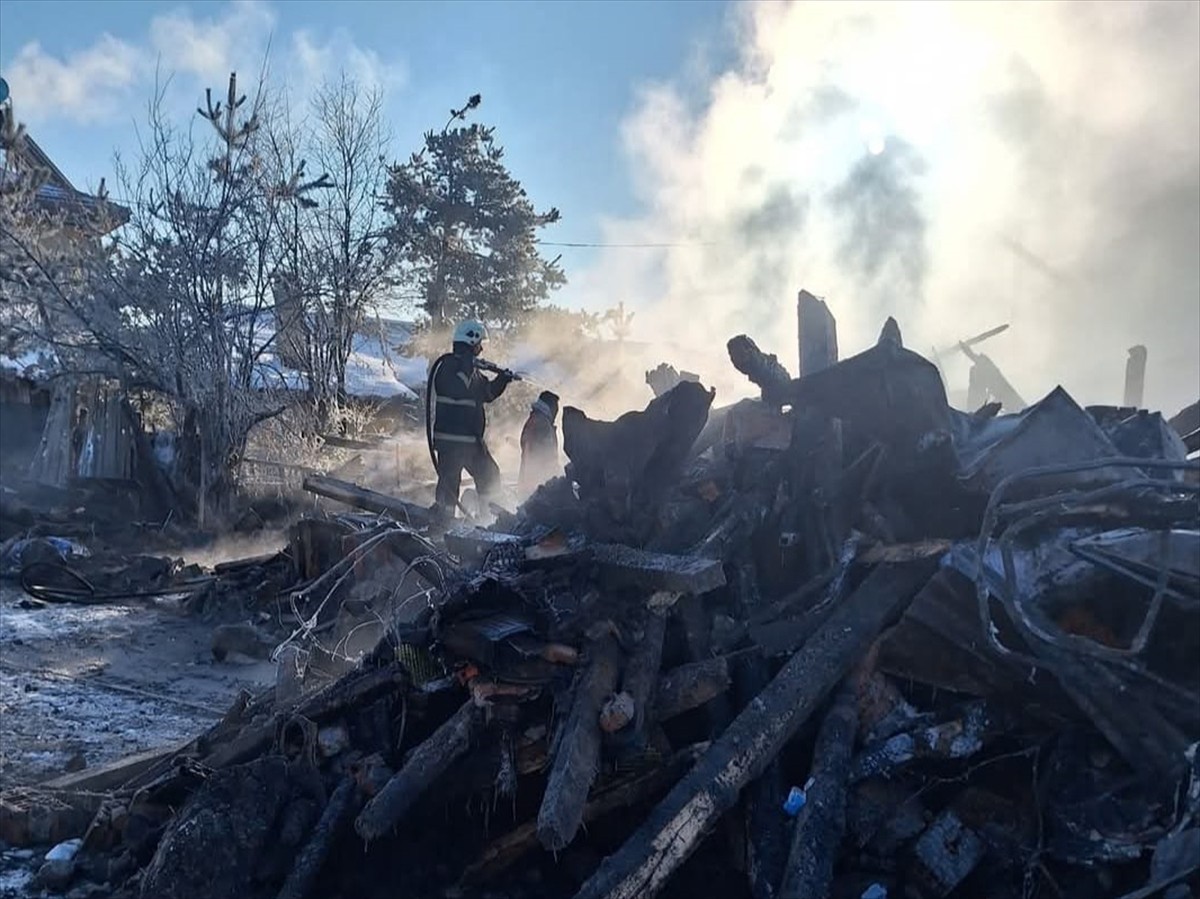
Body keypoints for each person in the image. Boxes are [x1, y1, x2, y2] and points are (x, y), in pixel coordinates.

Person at [428, 319, 514, 519]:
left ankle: (488, 520)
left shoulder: (473, 372)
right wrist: (467, 365)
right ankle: (443, 525)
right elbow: (457, 387)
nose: (481, 349)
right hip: (451, 443)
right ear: (470, 341)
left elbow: (488, 394)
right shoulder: (447, 367)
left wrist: (502, 380)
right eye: (478, 344)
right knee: (449, 487)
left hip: (471, 442)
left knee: (490, 475)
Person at [519, 390, 560, 495]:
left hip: (535, 481)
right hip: (537, 483)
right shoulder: (541, 423)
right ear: (550, 407)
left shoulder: (538, 420)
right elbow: (542, 454)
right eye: (556, 408)